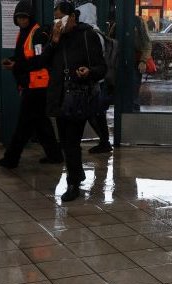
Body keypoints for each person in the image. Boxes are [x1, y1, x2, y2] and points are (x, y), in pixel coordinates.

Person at [37, 2, 107, 202]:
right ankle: (77, 175)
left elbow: (101, 68)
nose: (58, 23)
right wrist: (54, 41)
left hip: (78, 97)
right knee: (66, 142)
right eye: (56, 19)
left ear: (73, 17)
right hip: (60, 98)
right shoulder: (55, 37)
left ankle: (73, 183)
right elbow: (43, 63)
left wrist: (89, 71)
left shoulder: (88, 36)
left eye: (62, 18)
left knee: (71, 143)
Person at [0, 0, 62, 169]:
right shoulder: (24, 33)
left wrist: (16, 65)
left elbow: (40, 60)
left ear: (30, 17)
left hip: (37, 86)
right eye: (19, 18)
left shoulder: (36, 33)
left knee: (23, 125)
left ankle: (11, 158)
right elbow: (24, 56)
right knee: (41, 123)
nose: (22, 21)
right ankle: (55, 155)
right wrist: (12, 60)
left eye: (24, 17)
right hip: (31, 85)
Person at [79, 2, 113, 154]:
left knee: (94, 113)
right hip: (96, 79)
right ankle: (103, 141)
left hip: (94, 80)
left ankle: (104, 142)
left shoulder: (92, 34)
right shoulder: (97, 32)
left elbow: (93, 58)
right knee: (92, 112)